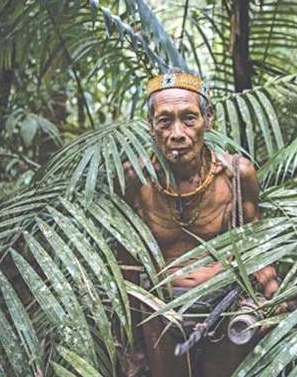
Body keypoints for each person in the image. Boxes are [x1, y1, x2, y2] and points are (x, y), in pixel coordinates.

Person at [118, 68, 279, 377]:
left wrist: (273, 298)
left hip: (227, 300)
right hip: (160, 306)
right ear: (151, 126)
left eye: (189, 118)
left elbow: (255, 247)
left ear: (208, 119)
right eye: (165, 120)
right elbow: (126, 263)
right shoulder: (134, 179)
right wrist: (130, 341)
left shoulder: (237, 174)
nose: (177, 132)